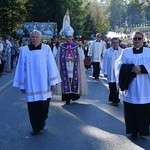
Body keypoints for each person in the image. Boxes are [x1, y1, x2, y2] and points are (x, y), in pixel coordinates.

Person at [13, 30, 61, 135]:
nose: (35, 39)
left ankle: (42, 121)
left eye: (37, 37)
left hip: (44, 84)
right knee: (33, 107)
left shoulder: (46, 49)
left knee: (44, 108)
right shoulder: (24, 50)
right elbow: (21, 67)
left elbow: (51, 66)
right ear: (30, 38)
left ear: (41, 38)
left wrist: (53, 83)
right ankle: (36, 128)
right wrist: (21, 84)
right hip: (30, 84)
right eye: (33, 37)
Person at [115, 31, 150, 140]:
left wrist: (142, 68)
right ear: (132, 40)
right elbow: (118, 64)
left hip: (145, 87)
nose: (137, 41)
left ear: (143, 40)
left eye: (139, 39)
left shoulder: (149, 52)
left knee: (144, 109)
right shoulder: (126, 52)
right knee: (131, 108)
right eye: (135, 38)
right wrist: (130, 68)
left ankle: (143, 130)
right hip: (131, 86)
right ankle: (133, 131)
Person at [56, 25, 88, 105]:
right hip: (65, 68)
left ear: (72, 37)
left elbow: (80, 58)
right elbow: (58, 58)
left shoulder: (76, 47)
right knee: (66, 82)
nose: (68, 38)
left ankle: (73, 96)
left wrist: (75, 59)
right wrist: (64, 59)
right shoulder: (61, 47)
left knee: (72, 81)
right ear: (65, 37)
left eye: (70, 37)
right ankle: (67, 99)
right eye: (67, 37)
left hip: (74, 67)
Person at [103, 37, 123, 106]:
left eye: (117, 42)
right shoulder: (108, 51)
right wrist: (104, 72)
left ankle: (115, 99)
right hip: (110, 71)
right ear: (111, 43)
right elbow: (105, 62)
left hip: (119, 72)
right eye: (114, 42)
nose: (115, 44)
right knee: (112, 86)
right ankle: (114, 99)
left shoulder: (122, 51)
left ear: (118, 43)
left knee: (117, 86)